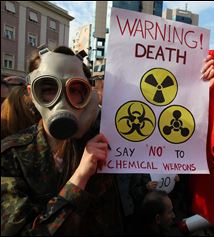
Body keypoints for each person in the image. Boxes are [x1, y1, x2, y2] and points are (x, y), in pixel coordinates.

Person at [1, 46, 123, 236]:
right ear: (33, 93)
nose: (63, 99)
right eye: (50, 89)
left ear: (87, 95)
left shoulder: (97, 145)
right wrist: (81, 177)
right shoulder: (11, 155)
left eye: (75, 90)